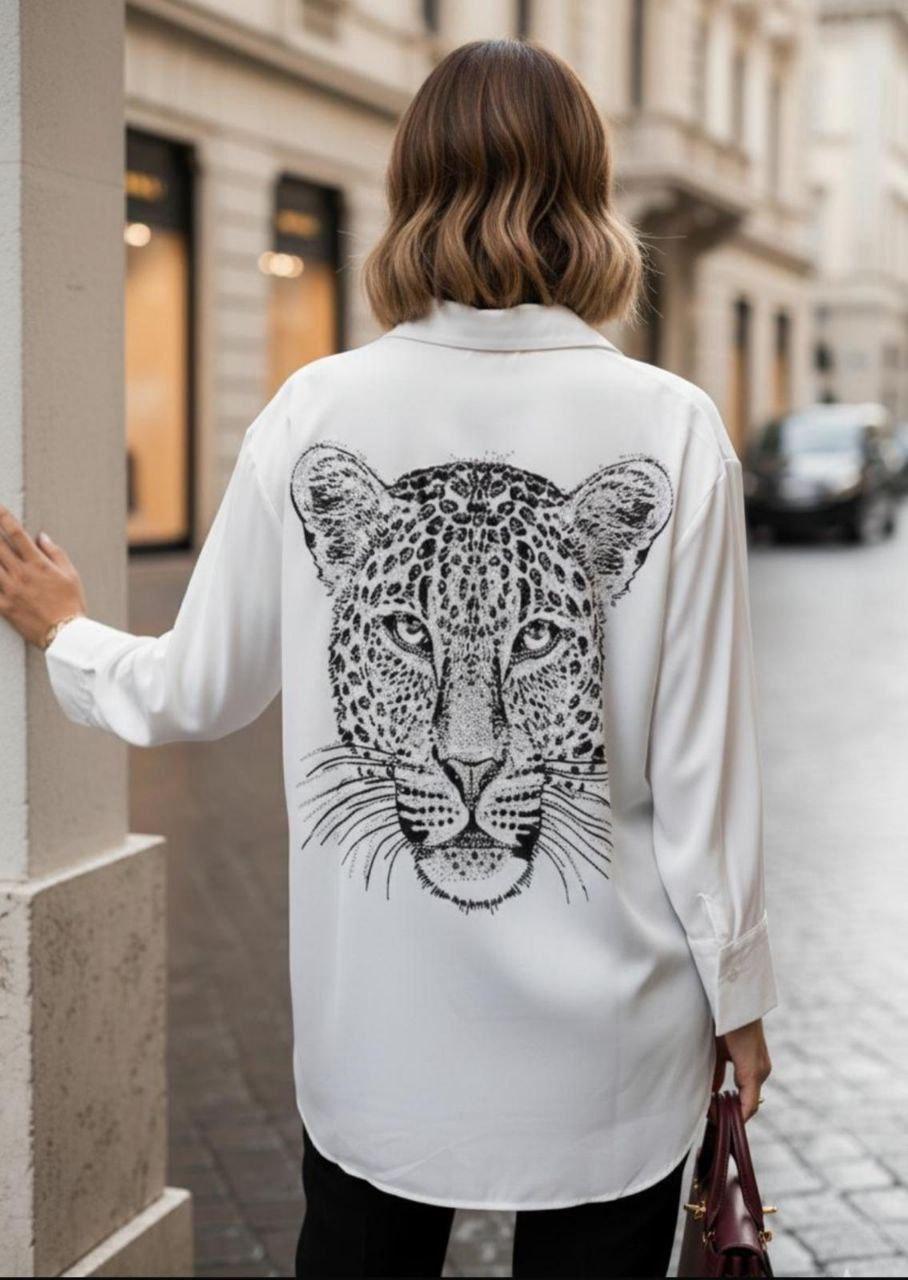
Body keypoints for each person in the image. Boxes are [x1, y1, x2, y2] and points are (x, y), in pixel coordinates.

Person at [0, 38, 775, 1280]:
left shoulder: (316, 409)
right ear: (589, 193)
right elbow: (703, 763)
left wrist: (71, 631)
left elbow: (198, 686)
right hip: (613, 1043)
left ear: (411, 185)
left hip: (377, 1039)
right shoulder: (671, 425)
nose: (468, 746)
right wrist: (736, 992)